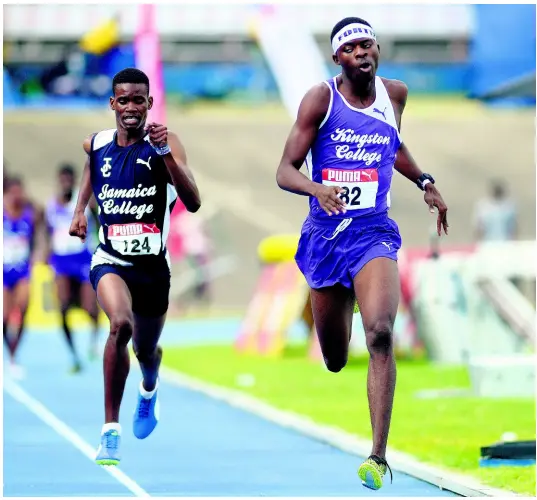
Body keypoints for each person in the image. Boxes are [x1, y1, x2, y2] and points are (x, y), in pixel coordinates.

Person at [276, 17, 448, 490]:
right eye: (352, 47)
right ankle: (344, 295)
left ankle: (377, 456)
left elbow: (393, 146)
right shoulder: (321, 99)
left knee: (380, 333)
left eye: (368, 44)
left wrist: (426, 182)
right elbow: (284, 170)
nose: (363, 52)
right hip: (326, 236)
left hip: (373, 232)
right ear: (338, 58)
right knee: (335, 357)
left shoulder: (395, 95)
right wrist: (318, 188)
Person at [68, 67, 201, 466]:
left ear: (149, 103)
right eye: (122, 100)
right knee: (120, 325)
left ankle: (148, 387)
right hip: (110, 259)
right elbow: (92, 166)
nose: (130, 107)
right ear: (113, 103)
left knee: (146, 349)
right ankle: (110, 430)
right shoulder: (98, 143)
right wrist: (79, 211)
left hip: (153, 270)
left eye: (137, 100)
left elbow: (192, 201)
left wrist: (164, 155)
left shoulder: (167, 142)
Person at [45, 164, 101, 373]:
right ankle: (73, 353)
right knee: (63, 307)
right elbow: (47, 232)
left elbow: (100, 221)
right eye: (63, 179)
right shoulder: (50, 205)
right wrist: (44, 254)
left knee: (90, 307)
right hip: (60, 260)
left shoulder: (86, 201)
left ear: (74, 180)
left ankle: (94, 342)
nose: (66, 183)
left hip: (82, 258)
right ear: (59, 181)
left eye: (69, 179)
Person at [3, 176, 45, 377]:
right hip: (3, 271)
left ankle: (13, 354)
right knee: (4, 317)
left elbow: (38, 236)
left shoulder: (30, 215)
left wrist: (38, 253)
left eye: (20, 192)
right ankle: (8, 351)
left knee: (23, 308)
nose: (16, 196)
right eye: (13, 193)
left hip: (22, 270)